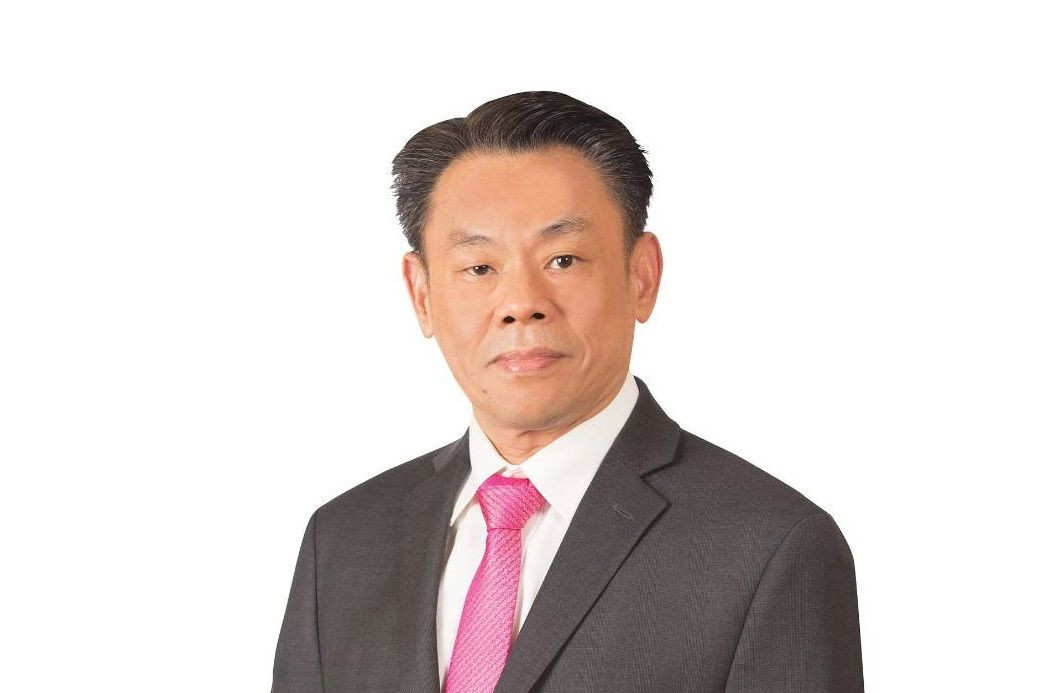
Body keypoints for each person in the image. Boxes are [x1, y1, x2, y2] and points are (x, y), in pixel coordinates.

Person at [271, 90, 864, 693]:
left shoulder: (769, 547)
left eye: (563, 259)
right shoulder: (342, 541)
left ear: (642, 276)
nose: (521, 303)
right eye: (479, 268)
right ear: (422, 294)